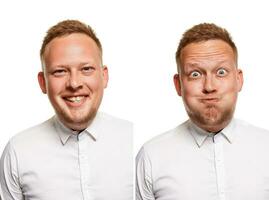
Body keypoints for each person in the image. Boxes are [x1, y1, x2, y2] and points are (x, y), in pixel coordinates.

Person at [0, 20, 133, 200]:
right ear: (42, 82)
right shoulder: (18, 152)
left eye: (86, 69)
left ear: (104, 77)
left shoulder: (134, 141)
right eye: (60, 71)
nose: (74, 84)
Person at [136, 23, 269, 200]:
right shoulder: (151, 157)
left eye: (221, 72)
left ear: (238, 80)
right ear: (178, 85)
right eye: (196, 74)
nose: (209, 86)